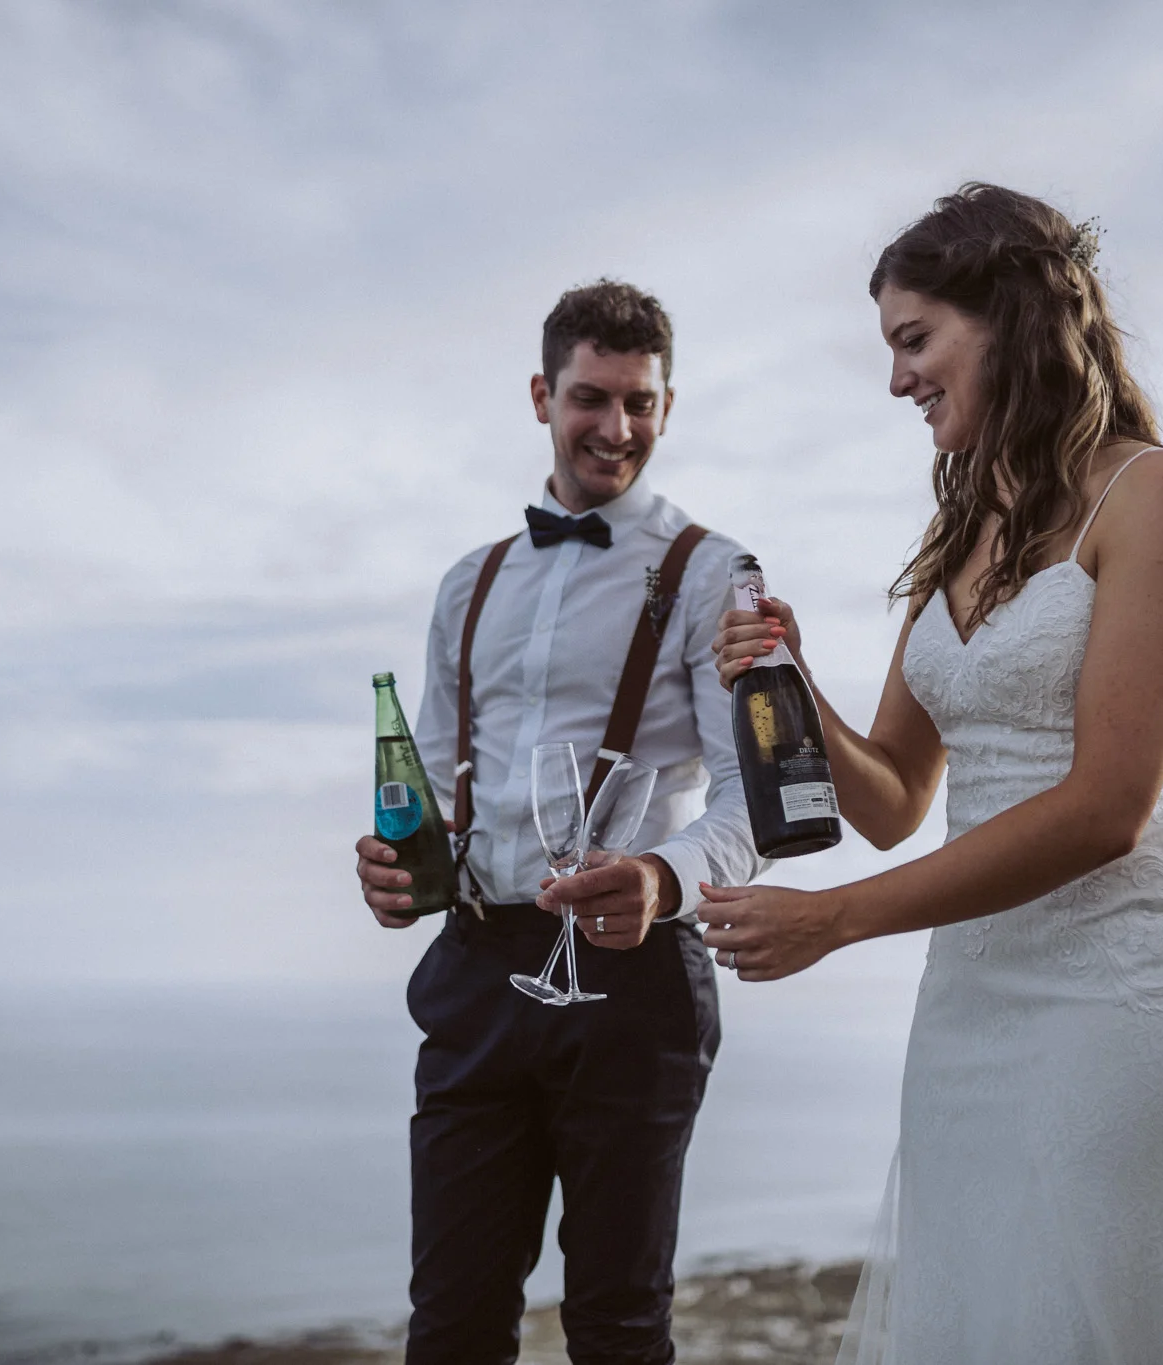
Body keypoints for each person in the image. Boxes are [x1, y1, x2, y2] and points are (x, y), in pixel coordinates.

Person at [702, 185, 1163, 1362]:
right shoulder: (953, 542)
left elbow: (1106, 808)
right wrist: (792, 680)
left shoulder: (1151, 496)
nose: (896, 380)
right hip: (970, 1004)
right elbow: (892, 801)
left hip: (1116, 992)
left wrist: (834, 924)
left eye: (914, 341)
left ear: (1009, 316)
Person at [354, 279, 763, 1365]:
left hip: (630, 989)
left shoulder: (711, 573)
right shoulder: (468, 582)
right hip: (476, 972)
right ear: (542, 394)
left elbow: (750, 800)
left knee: (618, 1330)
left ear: (666, 407)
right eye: (591, 398)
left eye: (640, 403)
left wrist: (662, 880)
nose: (616, 429)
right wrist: (398, 876)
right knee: (448, 1329)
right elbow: (439, 784)